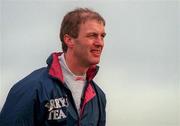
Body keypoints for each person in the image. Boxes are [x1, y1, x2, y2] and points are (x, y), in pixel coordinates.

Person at [0, 7, 106, 126]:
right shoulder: (32, 88)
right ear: (69, 40)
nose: (100, 43)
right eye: (92, 35)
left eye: (102, 36)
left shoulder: (98, 96)